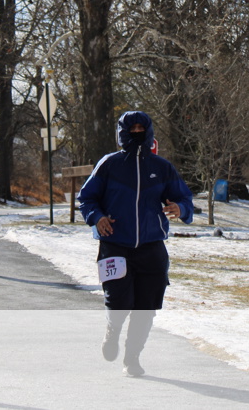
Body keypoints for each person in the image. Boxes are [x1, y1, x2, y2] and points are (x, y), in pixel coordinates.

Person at [78, 110, 194, 377]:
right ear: (123, 132)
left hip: (151, 247)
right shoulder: (109, 164)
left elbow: (185, 199)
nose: (137, 132)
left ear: (149, 131)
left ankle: (132, 358)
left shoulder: (161, 167)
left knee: (146, 307)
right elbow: (86, 199)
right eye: (133, 129)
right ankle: (113, 329)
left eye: (142, 128)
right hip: (114, 244)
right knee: (119, 301)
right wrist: (96, 218)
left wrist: (181, 208)